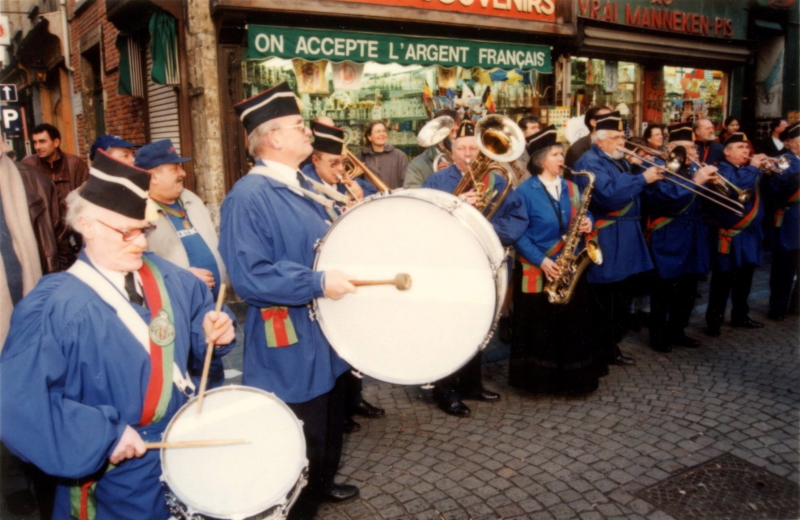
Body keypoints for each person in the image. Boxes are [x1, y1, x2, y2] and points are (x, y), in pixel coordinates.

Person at [0, 150, 236, 520]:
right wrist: (102, 435)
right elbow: (16, 402)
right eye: (126, 231)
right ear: (87, 225)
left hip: (186, 452)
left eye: (144, 229)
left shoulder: (176, 280)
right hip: (114, 476)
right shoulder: (53, 306)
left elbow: (198, 348)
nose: (140, 243)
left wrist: (218, 334)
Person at [219, 82, 360, 519]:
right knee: (299, 433)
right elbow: (250, 277)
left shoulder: (301, 184)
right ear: (273, 138)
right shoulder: (248, 196)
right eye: (300, 127)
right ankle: (298, 505)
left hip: (324, 329)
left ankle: (320, 485)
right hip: (290, 336)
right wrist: (317, 282)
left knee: (330, 419)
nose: (309, 134)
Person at [422, 119, 528, 416]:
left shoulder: (497, 178)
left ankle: (472, 384)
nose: (468, 153)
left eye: (473, 147)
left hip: (485, 262)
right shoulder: (437, 182)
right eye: (462, 148)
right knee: (449, 328)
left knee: (479, 323)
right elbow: (423, 221)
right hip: (449, 264)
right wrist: (457, 204)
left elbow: (518, 219)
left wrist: (484, 226)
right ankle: (446, 391)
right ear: (451, 152)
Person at [301, 120, 384, 433]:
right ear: (315, 161)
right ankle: (340, 409)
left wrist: (360, 199)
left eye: (343, 163)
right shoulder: (306, 187)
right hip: (325, 279)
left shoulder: (344, 182)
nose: (340, 169)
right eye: (333, 163)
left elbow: (378, 203)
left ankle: (354, 398)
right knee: (334, 344)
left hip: (351, 270)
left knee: (354, 338)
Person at [510, 125, 603, 395]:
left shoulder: (572, 187)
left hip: (570, 265)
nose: (562, 159)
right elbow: (519, 234)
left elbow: (586, 216)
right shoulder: (525, 192)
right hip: (540, 267)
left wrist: (588, 222)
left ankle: (574, 382)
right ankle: (541, 383)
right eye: (555, 154)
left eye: (562, 154)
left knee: (573, 325)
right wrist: (541, 261)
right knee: (542, 329)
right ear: (540, 160)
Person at [135, 139, 229, 389]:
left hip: (209, 311)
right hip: (176, 322)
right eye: (174, 168)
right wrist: (184, 278)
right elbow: (137, 269)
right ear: (152, 177)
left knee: (213, 378)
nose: (183, 173)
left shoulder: (190, 200)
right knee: (184, 385)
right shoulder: (138, 213)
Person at [573, 111, 662, 367]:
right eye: (615, 138)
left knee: (620, 295)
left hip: (625, 234)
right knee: (606, 297)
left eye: (622, 137)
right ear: (599, 140)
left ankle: (610, 347)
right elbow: (609, 195)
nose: (622, 143)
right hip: (608, 235)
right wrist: (642, 177)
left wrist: (639, 170)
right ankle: (602, 350)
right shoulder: (590, 160)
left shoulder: (616, 159)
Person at [0, 146, 51, 518]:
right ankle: (15, 485)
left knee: (34, 395)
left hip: (30, 308)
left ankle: (40, 478)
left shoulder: (28, 178)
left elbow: (54, 240)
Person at [642, 122, 716, 352]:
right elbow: (668, 198)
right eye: (687, 148)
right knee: (665, 289)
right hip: (669, 235)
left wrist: (712, 184)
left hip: (693, 235)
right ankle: (658, 334)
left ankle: (678, 330)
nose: (693, 153)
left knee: (688, 288)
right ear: (672, 147)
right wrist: (698, 181)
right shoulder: (659, 167)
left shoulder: (692, 168)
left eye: (694, 148)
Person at [705, 132, 767, 337]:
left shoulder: (749, 169)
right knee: (723, 280)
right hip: (730, 235)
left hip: (749, 234)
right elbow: (736, 188)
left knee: (745, 277)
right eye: (740, 147)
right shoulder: (721, 169)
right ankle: (714, 321)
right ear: (727, 151)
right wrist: (754, 168)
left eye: (747, 147)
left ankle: (740, 315)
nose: (746, 151)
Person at [22, 123, 90, 267]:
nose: (38, 146)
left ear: (56, 142)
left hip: (72, 232)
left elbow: (88, 196)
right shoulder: (27, 166)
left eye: (42, 141)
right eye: (35, 142)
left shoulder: (75, 164)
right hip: (43, 233)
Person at [765, 122, 800, 321]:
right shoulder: (782, 161)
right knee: (784, 268)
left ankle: (796, 304)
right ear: (791, 143)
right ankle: (777, 307)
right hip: (789, 221)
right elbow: (773, 193)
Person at [405, 109, 460, 189]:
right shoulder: (416, 166)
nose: (455, 136)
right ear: (437, 132)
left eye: (457, 131)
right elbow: (413, 196)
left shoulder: (465, 157)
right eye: (451, 131)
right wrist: (437, 178)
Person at [355, 121, 408, 190]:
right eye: (378, 132)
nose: (382, 134)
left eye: (384, 131)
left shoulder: (399, 156)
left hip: (393, 199)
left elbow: (406, 182)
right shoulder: (360, 156)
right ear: (369, 137)